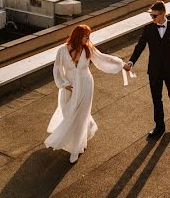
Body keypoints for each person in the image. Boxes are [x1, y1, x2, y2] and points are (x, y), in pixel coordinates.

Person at [45, 24, 128, 163]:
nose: (88, 39)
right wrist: (64, 84)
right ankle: (88, 129)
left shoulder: (88, 48)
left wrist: (121, 64)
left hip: (85, 84)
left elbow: (103, 58)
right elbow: (57, 68)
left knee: (80, 116)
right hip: (68, 86)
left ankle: (75, 149)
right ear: (78, 36)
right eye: (86, 36)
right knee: (68, 113)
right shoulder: (62, 50)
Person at [124, 1, 170, 138]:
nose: (152, 19)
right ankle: (159, 126)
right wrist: (131, 62)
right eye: (151, 16)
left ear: (163, 14)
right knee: (156, 99)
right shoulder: (148, 29)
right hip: (154, 70)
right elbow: (140, 46)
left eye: (154, 16)